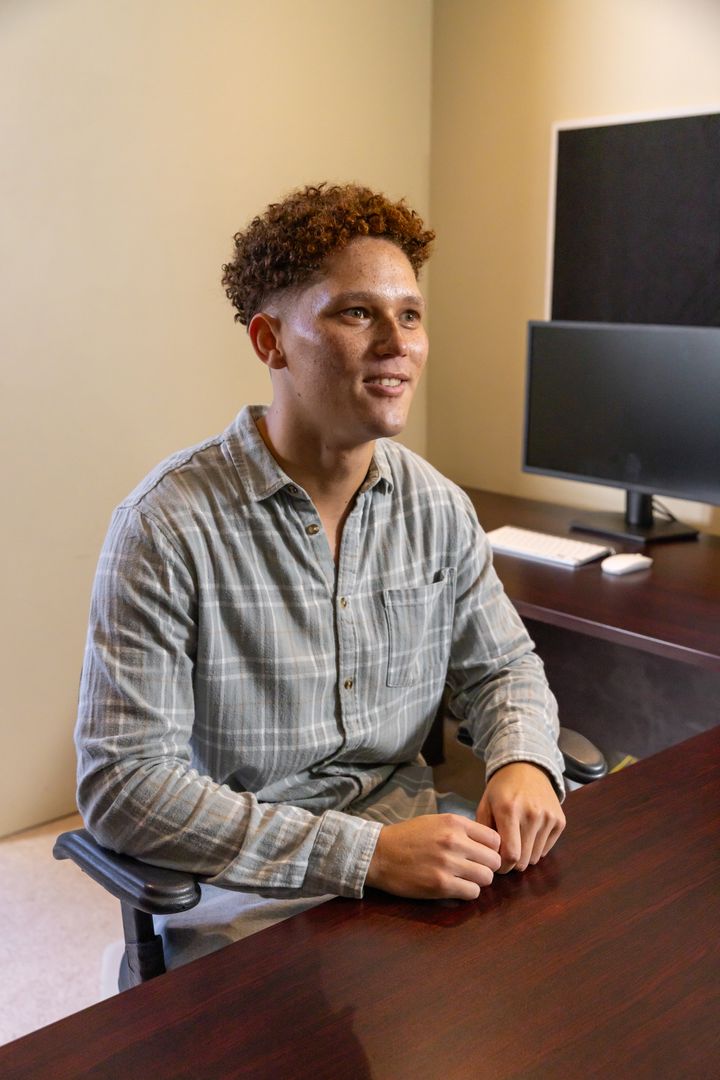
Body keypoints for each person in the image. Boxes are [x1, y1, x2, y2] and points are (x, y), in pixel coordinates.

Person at [75, 183, 566, 966]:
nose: (397, 341)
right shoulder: (166, 525)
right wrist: (364, 856)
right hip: (241, 885)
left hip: (421, 848)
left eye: (409, 314)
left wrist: (523, 759)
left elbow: (502, 665)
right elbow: (124, 786)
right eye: (356, 312)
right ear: (270, 341)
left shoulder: (436, 507)